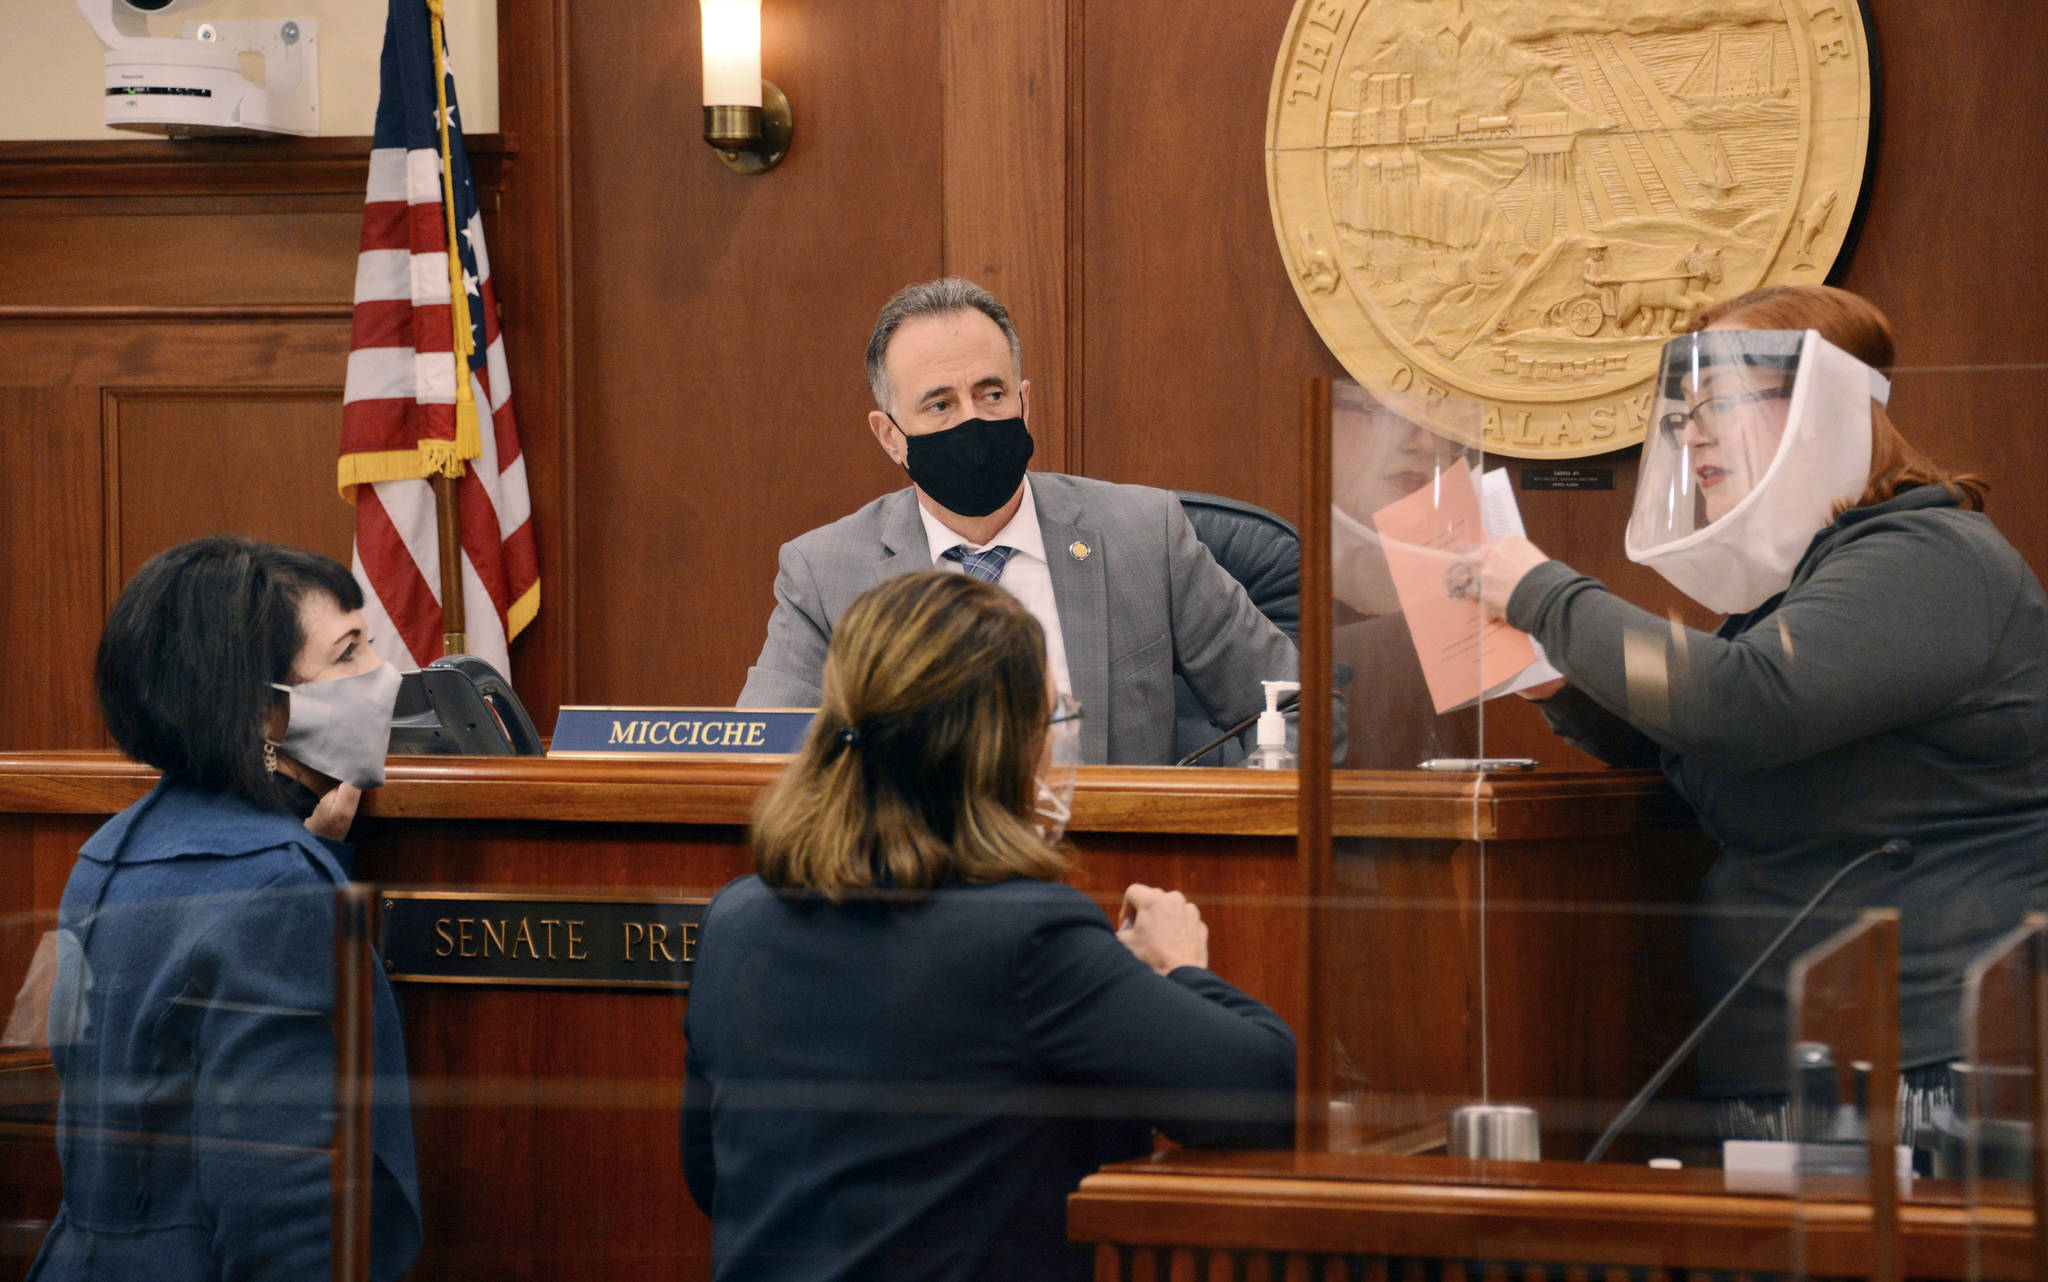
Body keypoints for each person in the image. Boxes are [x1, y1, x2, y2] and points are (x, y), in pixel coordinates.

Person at [1477, 285, 2048, 1146]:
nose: (1692, 432)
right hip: (1787, 1055)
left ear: (1824, 407)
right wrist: (1560, 682)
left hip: (1927, 1064)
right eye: (1684, 412)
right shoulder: (1799, 588)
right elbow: (1703, 746)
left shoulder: (1931, 557)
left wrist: (1544, 594)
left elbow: (1739, 705)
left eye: (1723, 402)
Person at [687, 571, 1296, 1282]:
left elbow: (713, 1174)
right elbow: (1270, 1094)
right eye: (1048, 721)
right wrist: (1182, 969)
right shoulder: (1025, 938)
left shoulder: (737, 918)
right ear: (998, 746)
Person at [30, 536, 421, 1281]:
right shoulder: (276, 890)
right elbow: (282, 1205)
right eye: (346, 654)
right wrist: (304, 875)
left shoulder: (110, 849)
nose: (383, 674)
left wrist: (317, 856)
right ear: (262, 712)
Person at [736, 276, 1303, 766]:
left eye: (991, 394)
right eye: (940, 405)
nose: (973, 421)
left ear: (1024, 403)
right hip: (918, 881)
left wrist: (1205, 832)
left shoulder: (1144, 536)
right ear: (889, 436)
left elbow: (1298, 707)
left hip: (1107, 870)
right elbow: (766, 756)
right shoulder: (825, 573)